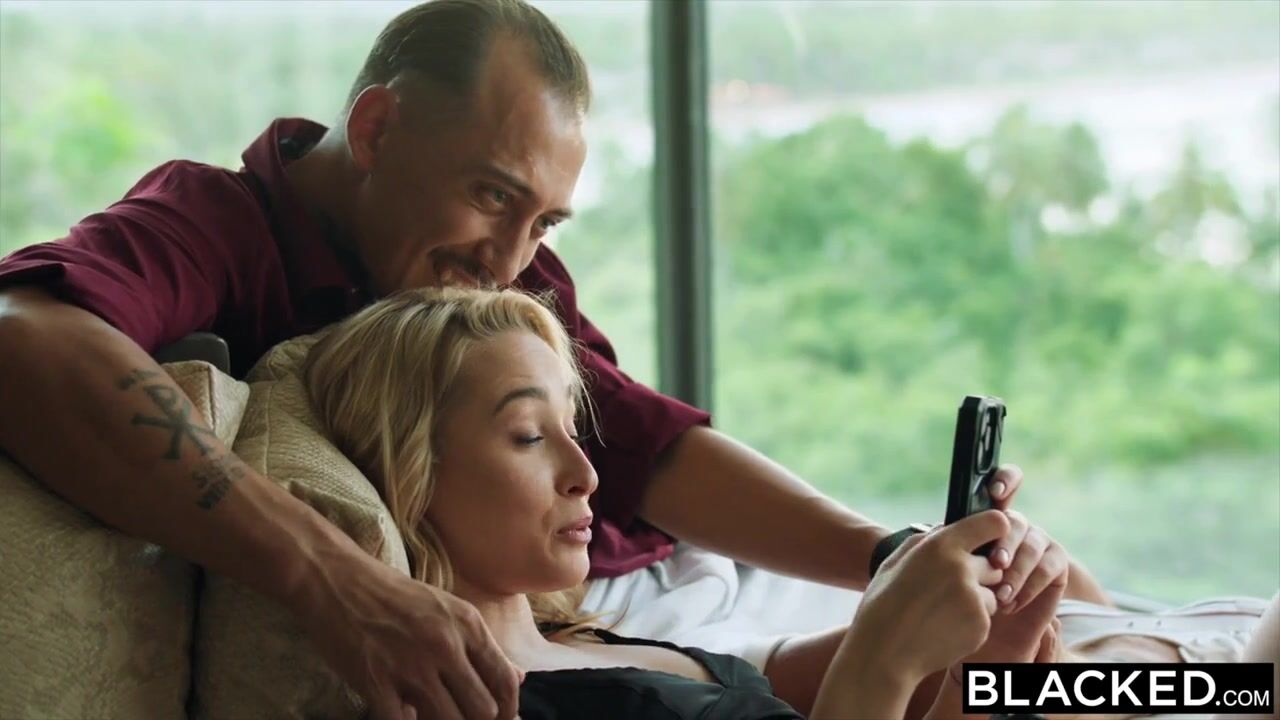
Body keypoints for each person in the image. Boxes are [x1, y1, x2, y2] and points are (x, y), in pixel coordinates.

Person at [0, 0, 1109, 717]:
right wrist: (336, 578)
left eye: (544, 222)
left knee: (1107, 645)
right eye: (492, 195)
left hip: (617, 617)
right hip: (571, 627)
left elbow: (638, 442)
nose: (511, 260)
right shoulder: (215, 227)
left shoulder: (502, 277)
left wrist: (894, 558)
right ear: (375, 130)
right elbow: (22, 332)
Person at [299, 285, 1064, 720]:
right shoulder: (480, 704)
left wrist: (991, 662)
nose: (586, 473)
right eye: (529, 435)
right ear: (411, 473)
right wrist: (883, 657)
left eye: (574, 429)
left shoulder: (594, 643)